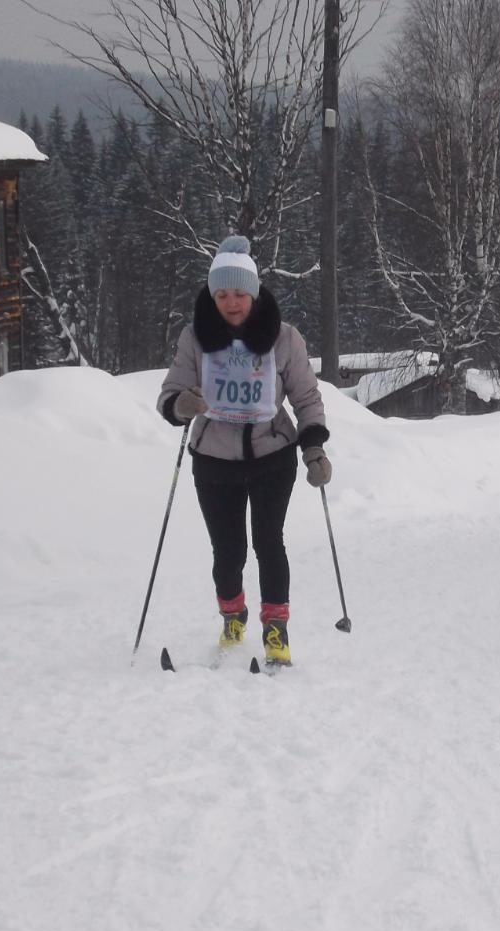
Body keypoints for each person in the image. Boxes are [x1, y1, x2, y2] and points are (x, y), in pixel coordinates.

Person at [157, 235, 331, 668]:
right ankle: (232, 616)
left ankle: (276, 629)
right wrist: (182, 405)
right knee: (228, 549)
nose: (231, 303)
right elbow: (171, 394)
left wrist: (314, 450)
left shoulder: (284, 339)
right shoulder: (196, 337)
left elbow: (306, 397)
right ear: (212, 295)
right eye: (221, 294)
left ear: (253, 293)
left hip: (273, 456)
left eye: (238, 294)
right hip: (213, 460)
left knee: (269, 542)